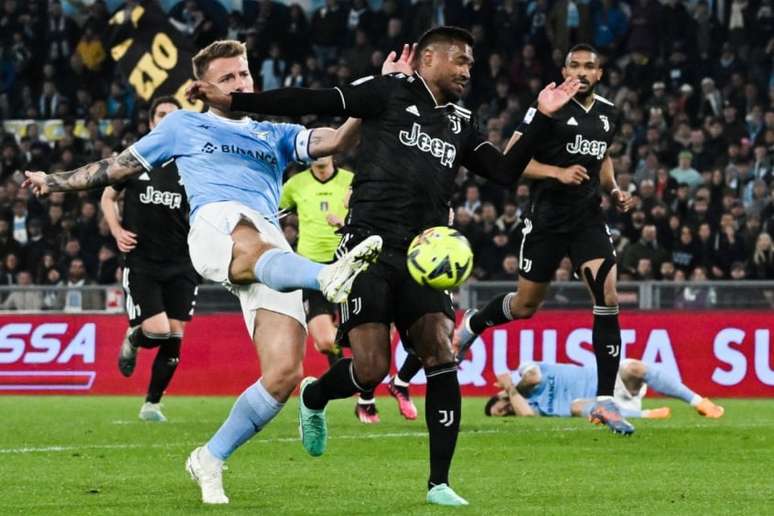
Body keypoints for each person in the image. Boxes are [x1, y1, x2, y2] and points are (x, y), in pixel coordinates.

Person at [187, 26, 580, 506]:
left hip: (422, 256)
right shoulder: (387, 91)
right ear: (429, 58)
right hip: (366, 250)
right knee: (370, 369)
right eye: (460, 60)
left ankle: (439, 483)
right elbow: (310, 99)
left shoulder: (460, 121)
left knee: (440, 350)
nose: (467, 70)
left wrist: (540, 116)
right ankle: (314, 398)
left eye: (471, 63)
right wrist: (241, 100)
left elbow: (502, 171)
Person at [22, 40, 384, 505]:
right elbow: (116, 167)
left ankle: (209, 457)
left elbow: (333, 140)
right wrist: (53, 181)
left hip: (272, 247)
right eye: (228, 78)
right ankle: (325, 276)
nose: (241, 84)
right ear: (203, 87)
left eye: (245, 75)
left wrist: (367, 100)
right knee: (249, 236)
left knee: (284, 374)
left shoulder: (272, 132)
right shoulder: (183, 125)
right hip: (217, 224)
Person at [455, 44, 637, 436]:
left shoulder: (608, 113)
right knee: (524, 306)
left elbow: (601, 157)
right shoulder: (548, 107)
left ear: (600, 74)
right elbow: (512, 158)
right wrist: (557, 172)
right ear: (565, 68)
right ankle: (473, 323)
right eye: (575, 65)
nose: (582, 72)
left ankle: (605, 401)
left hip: (588, 219)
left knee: (607, 294)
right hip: (546, 222)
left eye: (590, 67)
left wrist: (615, 190)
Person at [100, 96, 198, 423]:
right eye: (161, 115)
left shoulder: (192, 164)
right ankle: (133, 338)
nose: (167, 120)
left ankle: (152, 404)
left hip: (183, 262)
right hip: (143, 262)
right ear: (151, 122)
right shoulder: (135, 159)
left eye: (174, 116)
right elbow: (107, 195)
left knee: (175, 335)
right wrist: (116, 230)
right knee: (156, 331)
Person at [280, 155, 382, 424]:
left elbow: (369, 215)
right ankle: (347, 379)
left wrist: (345, 226)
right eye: (314, 151)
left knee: (370, 333)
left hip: (349, 265)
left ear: (333, 153)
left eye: (324, 150)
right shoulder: (295, 184)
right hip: (312, 270)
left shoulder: (350, 181)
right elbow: (273, 210)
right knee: (325, 341)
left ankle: (364, 396)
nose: (319, 156)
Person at [484, 360, 725, 421]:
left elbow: (533, 376)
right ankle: (646, 416)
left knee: (635, 368)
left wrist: (512, 387)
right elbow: (525, 415)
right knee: (576, 406)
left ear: (501, 393)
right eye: (503, 413)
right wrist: (511, 393)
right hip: (608, 409)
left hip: (611, 382)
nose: (506, 409)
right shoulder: (531, 409)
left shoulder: (527, 370)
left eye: (502, 404)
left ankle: (699, 403)